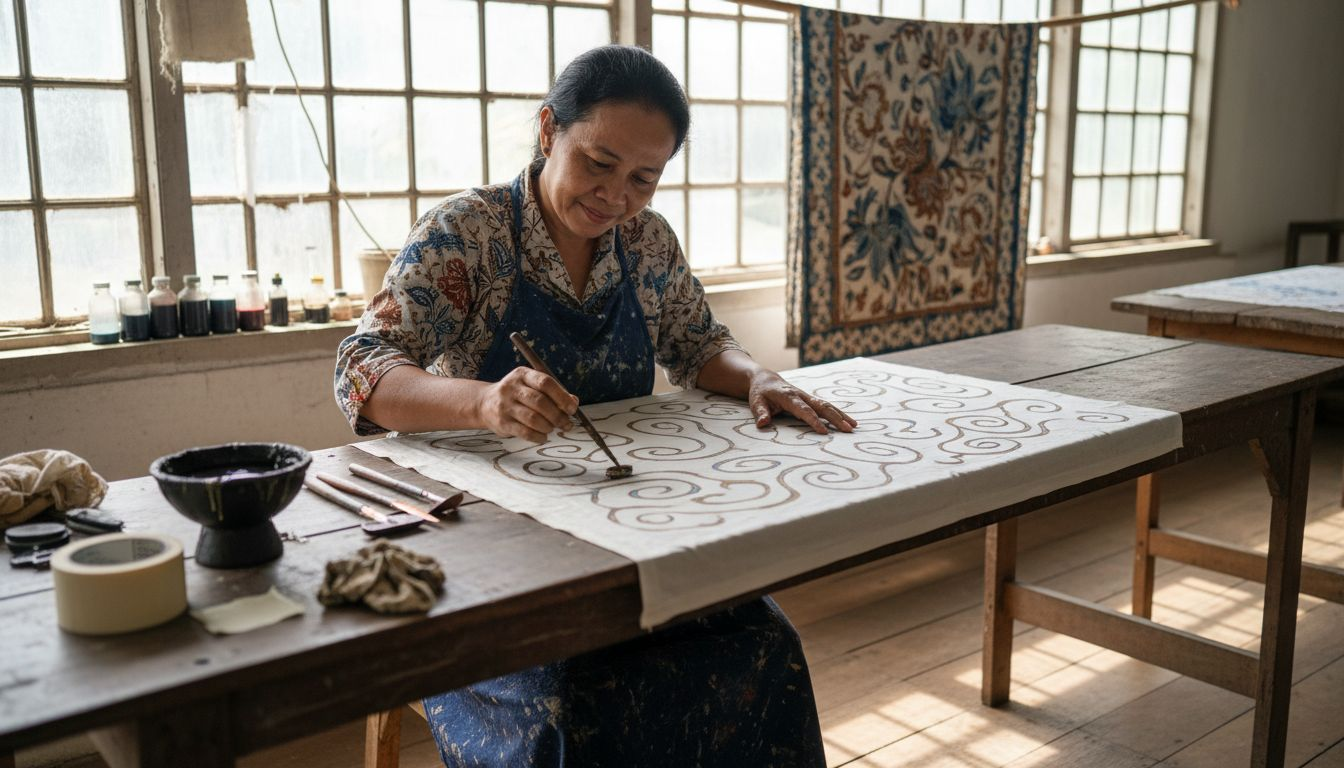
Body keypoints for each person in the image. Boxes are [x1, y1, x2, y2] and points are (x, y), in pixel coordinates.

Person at [335, 44, 853, 767]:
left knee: (765, 648)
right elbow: (362, 371)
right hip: (494, 546)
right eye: (598, 163)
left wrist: (756, 376)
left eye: (645, 177)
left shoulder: (645, 242)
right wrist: (486, 403)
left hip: (633, 527)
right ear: (550, 130)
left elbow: (698, 345)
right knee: (583, 696)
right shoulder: (469, 234)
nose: (617, 196)